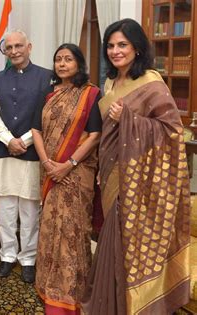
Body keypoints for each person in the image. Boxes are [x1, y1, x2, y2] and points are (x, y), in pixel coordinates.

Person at [81, 18, 191, 314]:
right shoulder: (108, 82)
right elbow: (105, 132)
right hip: (110, 171)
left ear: (137, 48)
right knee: (109, 240)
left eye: (122, 45)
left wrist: (129, 119)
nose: (115, 51)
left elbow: (171, 131)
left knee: (122, 244)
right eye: (111, 46)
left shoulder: (151, 82)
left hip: (138, 181)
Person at [31, 43, 102, 314]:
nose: (62, 64)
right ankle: (50, 288)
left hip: (76, 175)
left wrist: (68, 164)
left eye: (68, 59)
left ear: (78, 64)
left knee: (72, 233)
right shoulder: (48, 94)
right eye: (58, 59)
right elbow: (36, 129)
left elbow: (95, 135)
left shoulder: (90, 94)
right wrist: (48, 163)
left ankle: (73, 292)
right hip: (50, 172)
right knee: (51, 231)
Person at [0, 30, 53, 283]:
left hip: (32, 152)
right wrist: (8, 140)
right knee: (5, 210)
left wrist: (23, 141)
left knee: (29, 211)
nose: (14, 51)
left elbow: (47, 115)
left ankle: (28, 259)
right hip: (4, 152)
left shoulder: (47, 77)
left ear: (29, 47)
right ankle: (7, 256)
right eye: (9, 47)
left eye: (19, 46)